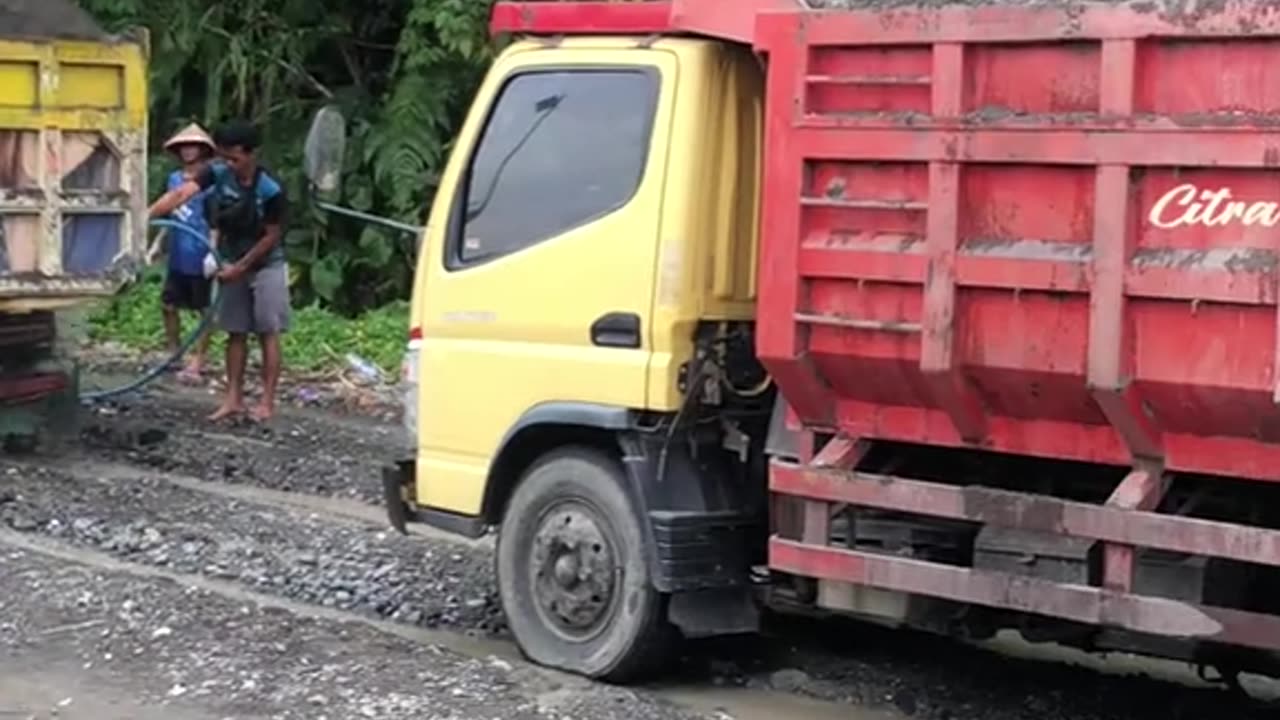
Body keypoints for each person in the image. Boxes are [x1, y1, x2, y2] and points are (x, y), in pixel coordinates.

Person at [148, 120, 290, 422]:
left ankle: (266, 402)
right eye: (223, 157)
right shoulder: (217, 173)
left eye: (234, 158)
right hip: (230, 259)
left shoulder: (271, 189)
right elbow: (181, 193)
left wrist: (242, 267)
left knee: (268, 331)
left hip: (265, 264)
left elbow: (271, 235)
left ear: (251, 154)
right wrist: (143, 217)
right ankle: (233, 399)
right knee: (234, 331)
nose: (228, 164)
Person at [146, 123, 217, 383]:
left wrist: (214, 252)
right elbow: (172, 214)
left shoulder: (210, 180)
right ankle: (174, 351)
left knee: (204, 309)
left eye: (193, 146)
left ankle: (199, 358)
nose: (189, 151)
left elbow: (216, 219)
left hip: (201, 251)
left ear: (202, 150)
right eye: (184, 146)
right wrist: (157, 244)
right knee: (168, 304)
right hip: (178, 250)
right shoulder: (175, 179)